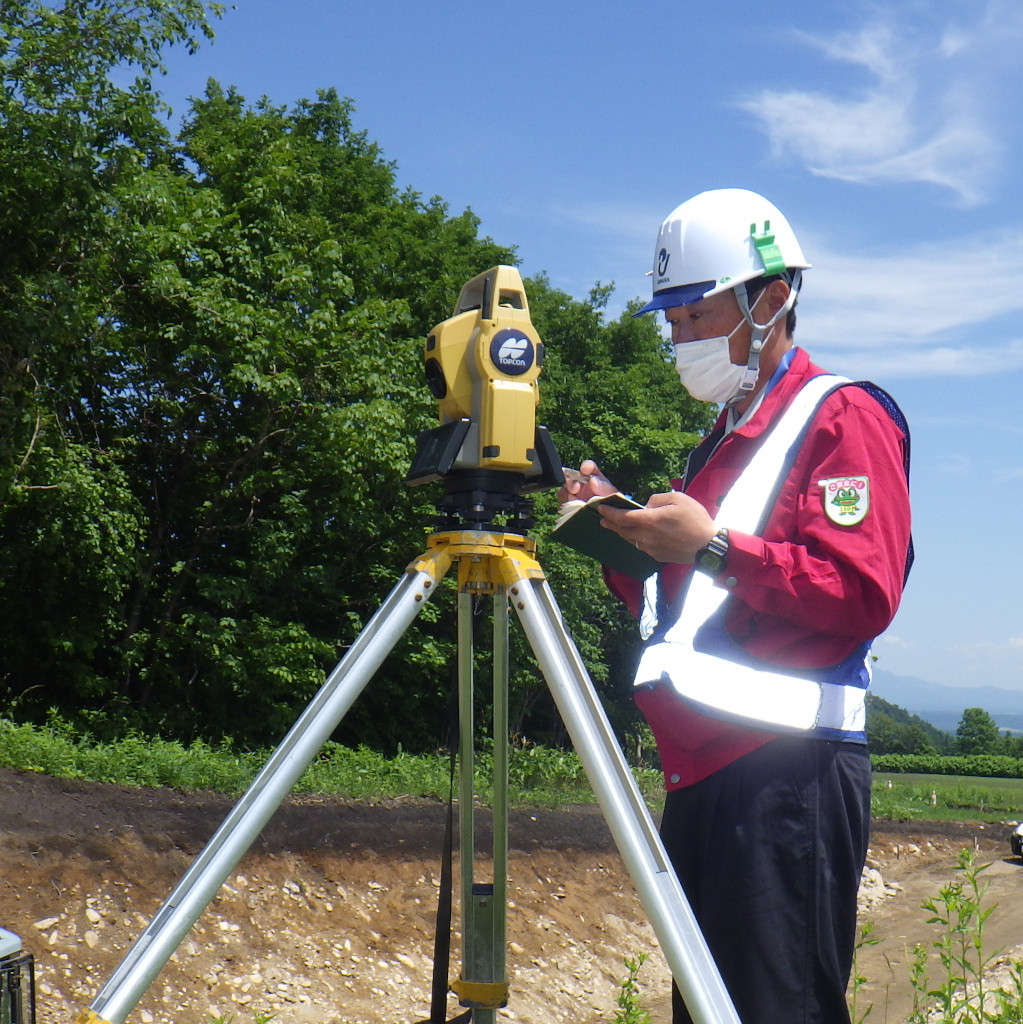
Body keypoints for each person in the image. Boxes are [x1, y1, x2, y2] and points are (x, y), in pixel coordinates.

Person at [560, 188, 912, 1024]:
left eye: (692, 314)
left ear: (769, 298)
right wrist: (621, 532)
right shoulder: (723, 436)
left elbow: (861, 591)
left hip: (786, 776)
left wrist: (712, 545)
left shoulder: (840, 416)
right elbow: (697, 600)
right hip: (708, 771)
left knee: (770, 1009)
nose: (677, 338)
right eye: (670, 320)